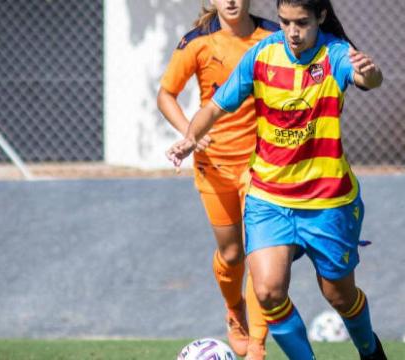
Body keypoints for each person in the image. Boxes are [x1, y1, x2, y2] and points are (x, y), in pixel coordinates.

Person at [166, 0, 387, 359]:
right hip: (269, 197)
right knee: (268, 291)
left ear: (321, 17)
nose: (292, 32)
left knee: (339, 296)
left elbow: (367, 79)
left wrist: (371, 72)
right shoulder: (262, 55)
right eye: (284, 22)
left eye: (301, 22)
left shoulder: (336, 54)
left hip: (327, 200)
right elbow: (215, 107)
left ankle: (370, 351)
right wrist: (190, 139)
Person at [157, 1, 278, 358]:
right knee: (232, 252)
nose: (231, 1)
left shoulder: (272, 37)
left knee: (259, 252)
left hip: (261, 165)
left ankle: (257, 344)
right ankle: (233, 309)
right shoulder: (196, 42)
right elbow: (166, 95)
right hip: (214, 164)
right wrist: (190, 133)